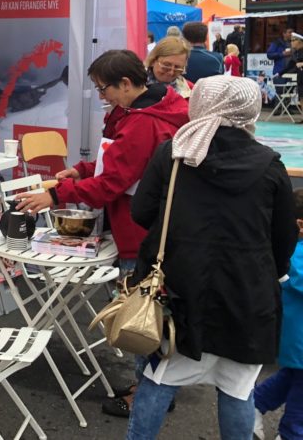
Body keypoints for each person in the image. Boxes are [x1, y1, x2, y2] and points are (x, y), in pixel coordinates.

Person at [14, 49, 189, 419]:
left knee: (140, 317)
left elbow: (113, 182)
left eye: (103, 88)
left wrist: (56, 195)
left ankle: (149, 394)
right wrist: (80, 170)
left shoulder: (142, 122)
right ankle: (152, 387)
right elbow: (115, 160)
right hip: (149, 226)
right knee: (149, 312)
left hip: (139, 231)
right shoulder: (149, 109)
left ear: (126, 84)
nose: (102, 96)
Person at [125, 76, 296, 440]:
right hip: (247, 295)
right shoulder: (269, 165)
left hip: (179, 288)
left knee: (160, 379)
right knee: (237, 388)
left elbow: (141, 212)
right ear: (248, 110)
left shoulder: (174, 153)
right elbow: (284, 239)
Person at [253, 189, 303, 440]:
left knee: (292, 377)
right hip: (299, 338)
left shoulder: (291, 250)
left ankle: (254, 406)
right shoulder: (296, 253)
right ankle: (292, 433)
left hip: (297, 340)